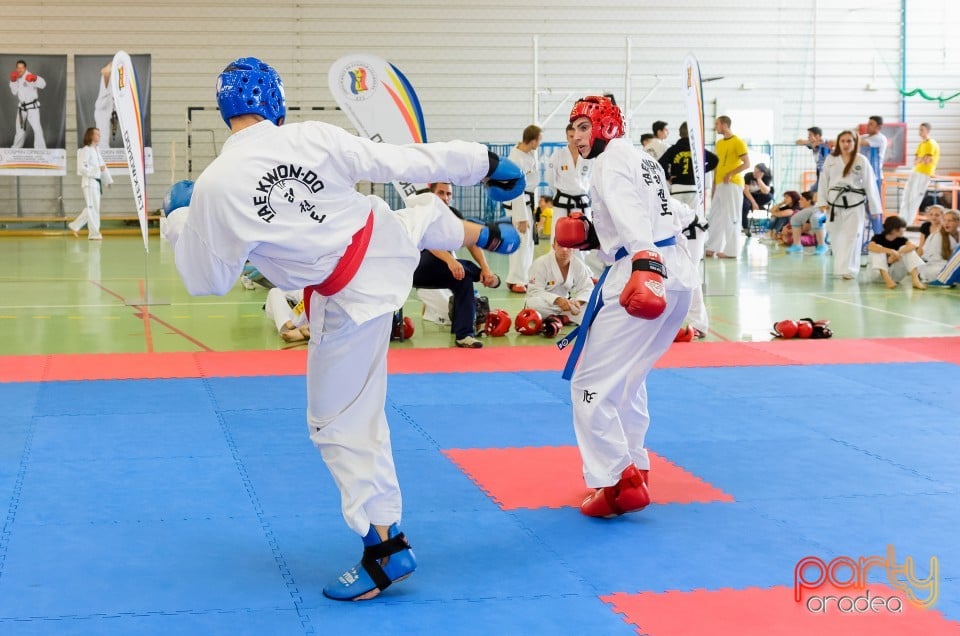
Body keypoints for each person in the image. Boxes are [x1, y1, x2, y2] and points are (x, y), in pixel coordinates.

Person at [160, 57, 524, 602]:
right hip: (378, 233)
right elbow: (399, 159)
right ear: (274, 102)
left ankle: (385, 549)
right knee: (415, 216)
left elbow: (207, 280)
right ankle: (472, 229)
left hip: (353, 298)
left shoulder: (216, 186)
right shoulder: (311, 136)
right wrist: (482, 162)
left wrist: (181, 223)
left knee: (337, 424)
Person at [559, 95, 697, 518]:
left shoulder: (607, 163)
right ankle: (636, 464)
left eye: (584, 127)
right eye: (572, 129)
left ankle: (618, 480)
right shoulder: (644, 160)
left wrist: (643, 261)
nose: (577, 137)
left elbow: (631, 215)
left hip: (642, 271)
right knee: (628, 382)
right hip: (679, 275)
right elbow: (674, 212)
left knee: (588, 384)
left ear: (606, 126)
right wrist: (593, 237)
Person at [411, 182, 501, 349]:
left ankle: (464, 335)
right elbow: (428, 243)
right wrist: (450, 260)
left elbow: (472, 242)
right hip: (418, 268)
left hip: (443, 269)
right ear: (432, 195)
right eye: (441, 193)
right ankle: (480, 275)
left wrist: (486, 266)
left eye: (448, 194)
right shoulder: (422, 213)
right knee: (458, 265)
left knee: (464, 279)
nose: (445, 198)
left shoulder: (453, 216)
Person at [658, 121, 718, 339]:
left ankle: (696, 322)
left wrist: (670, 176)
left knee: (688, 271)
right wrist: (701, 170)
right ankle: (686, 320)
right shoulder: (696, 151)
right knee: (682, 271)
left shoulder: (673, 150)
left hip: (679, 193)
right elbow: (715, 160)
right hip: (693, 191)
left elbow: (660, 164)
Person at [818, 130, 883, 279]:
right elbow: (823, 181)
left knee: (853, 236)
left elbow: (870, 185)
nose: (846, 144)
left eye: (849, 141)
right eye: (843, 141)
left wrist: (875, 208)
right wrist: (822, 201)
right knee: (835, 236)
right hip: (834, 203)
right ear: (838, 143)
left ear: (855, 143)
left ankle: (850, 270)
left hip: (855, 203)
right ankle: (840, 268)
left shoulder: (861, 160)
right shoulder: (831, 159)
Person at [704, 115, 749, 259]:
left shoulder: (738, 142)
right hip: (719, 184)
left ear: (724, 124)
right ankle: (712, 247)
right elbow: (717, 165)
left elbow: (746, 163)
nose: (715, 127)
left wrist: (730, 173)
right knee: (715, 216)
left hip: (733, 184)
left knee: (731, 217)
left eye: (717, 124)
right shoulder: (719, 143)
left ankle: (732, 251)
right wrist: (714, 186)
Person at [505, 124, 542, 293]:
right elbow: (515, 188)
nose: (540, 144)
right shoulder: (515, 159)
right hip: (518, 203)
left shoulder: (528, 154)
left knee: (528, 242)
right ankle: (516, 280)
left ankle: (522, 277)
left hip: (528, 201)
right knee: (521, 240)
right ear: (533, 140)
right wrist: (521, 217)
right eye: (539, 140)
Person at [524, 238, 595, 324]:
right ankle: (564, 318)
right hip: (546, 303)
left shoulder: (578, 265)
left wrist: (578, 303)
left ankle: (556, 318)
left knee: (591, 305)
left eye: (568, 247)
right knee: (534, 304)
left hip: (567, 305)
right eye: (560, 246)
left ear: (574, 249)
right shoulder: (540, 263)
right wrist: (557, 300)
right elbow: (535, 291)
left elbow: (588, 288)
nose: (564, 250)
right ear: (553, 246)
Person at [546, 123, 591, 239]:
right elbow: (549, 178)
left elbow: (593, 179)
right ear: (566, 137)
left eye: (576, 136)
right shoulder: (558, 155)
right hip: (562, 202)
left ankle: (580, 257)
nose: (574, 140)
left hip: (582, 202)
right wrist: (557, 193)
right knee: (559, 237)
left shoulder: (588, 155)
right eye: (571, 136)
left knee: (583, 238)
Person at [68, 127, 112, 240]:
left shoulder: (97, 151)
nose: (99, 136)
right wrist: (97, 169)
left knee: (93, 209)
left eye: (99, 134)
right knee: (93, 209)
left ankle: (75, 226)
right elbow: (82, 168)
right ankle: (93, 234)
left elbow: (103, 168)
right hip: (89, 183)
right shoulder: (85, 150)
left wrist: (107, 181)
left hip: (96, 183)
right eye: (97, 134)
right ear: (90, 136)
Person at [867, 216, 926, 290]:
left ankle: (915, 279)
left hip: (895, 276)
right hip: (878, 275)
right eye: (902, 227)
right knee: (878, 248)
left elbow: (913, 246)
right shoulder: (878, 237)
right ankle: (887, 280)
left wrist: (897, 253)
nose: (904, 230)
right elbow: (870, 247)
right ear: (894, 229)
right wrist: (891, 251)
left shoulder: (902, 239)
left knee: (906, 249)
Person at [898, 123, 940, 224]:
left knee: (914, 198)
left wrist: (921, 159)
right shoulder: (921, 144)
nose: (920, 132)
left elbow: (927, 160)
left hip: (924, 173)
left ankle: (908, 222)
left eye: (922, 130)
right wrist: (921, 159)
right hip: (916, 171)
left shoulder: (931, 144)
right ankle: (901, 220)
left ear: (927, 131)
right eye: (919, 129)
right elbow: (916, 161)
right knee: (906, 195)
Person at [8, 59, 46, 149]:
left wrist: (35, 78)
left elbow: (43, 84)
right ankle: (16, 148)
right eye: (18, 68)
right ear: (16, 68)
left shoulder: (30, 76)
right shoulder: (16, 78)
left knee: (37, 128)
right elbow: (14, 92)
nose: (20, 69)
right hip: (21, 108)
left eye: (22, 67)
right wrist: (13, 81)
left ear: (25, 68)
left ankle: (41, 150)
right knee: (19, 130)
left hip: (32, 107)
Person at [919, 209, 959, 283]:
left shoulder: (958, 234)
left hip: (946, 265)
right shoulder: (938, 236)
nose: (946, 223)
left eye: (950, 221)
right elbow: (934, 260)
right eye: (944, 220)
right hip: (933, 266)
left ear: (958, 222)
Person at [741, 163, 774, 236]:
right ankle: (746, 228)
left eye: (756, 172)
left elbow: (765, 191)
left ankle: (755, 206)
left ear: (762, 173)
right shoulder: (748, 175)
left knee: (769, 196)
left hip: (759, 196)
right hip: (748, 195)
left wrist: (759, 179)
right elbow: (746, 191)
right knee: (745, 205)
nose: (754, 173)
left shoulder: (767, 177)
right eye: (754, 170)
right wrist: (753, 203)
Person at [795, 126, 831, 191]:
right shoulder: (812, 145)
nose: (808, 137)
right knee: (813, 191)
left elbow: (823, 141)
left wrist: (816, 142)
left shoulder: (825, 144)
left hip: (827, 174)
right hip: (820, 174)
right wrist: (811, 142)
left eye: (810, 135)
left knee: (814, 192)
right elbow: (798, 142)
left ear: (817, 136)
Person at [94, 63, 116, 150]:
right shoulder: (107, 76)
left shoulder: (115, 80)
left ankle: (103, 154)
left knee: (105, 136)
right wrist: (113, 64)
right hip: (102, 109)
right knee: (103, 137)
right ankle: (103, 155)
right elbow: (104, 70)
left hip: (107, 109)